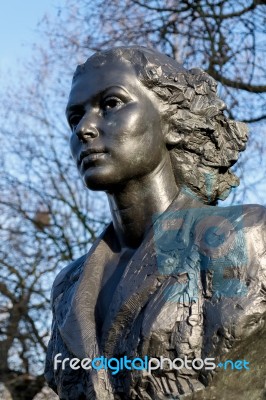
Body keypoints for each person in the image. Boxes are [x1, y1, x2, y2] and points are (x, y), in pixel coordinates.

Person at [45, 46, 266, 400]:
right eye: (75, 118)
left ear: (172, 122)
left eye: (112, 104)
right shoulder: (68, 287)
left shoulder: (243, 237)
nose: (85, 128)